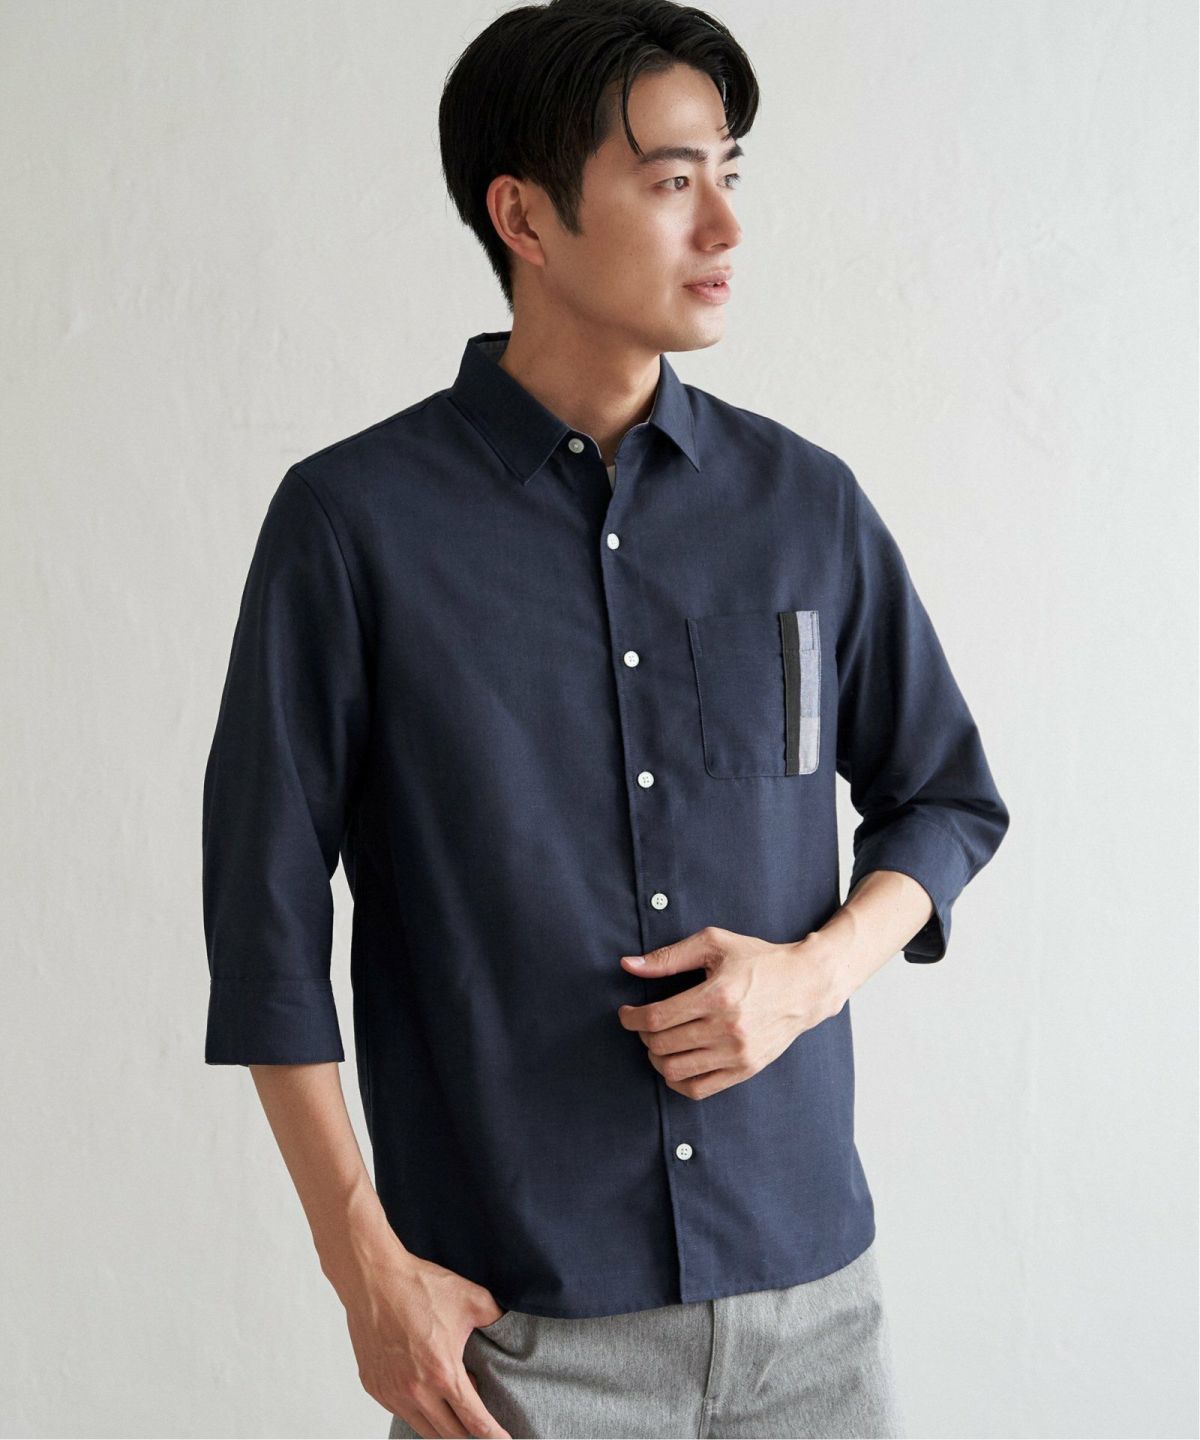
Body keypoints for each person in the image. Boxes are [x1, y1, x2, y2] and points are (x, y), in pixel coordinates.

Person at [201, 2, 1010, 1436]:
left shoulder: (805, 506)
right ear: (523, 215)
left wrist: (811, 976)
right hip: (519, 1338)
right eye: (670, 179)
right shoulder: (354, 525)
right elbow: (265, 928)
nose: (725, 227)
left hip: (813, 1310)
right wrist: (362, 1269)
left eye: (730, 175)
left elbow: (944, 798)